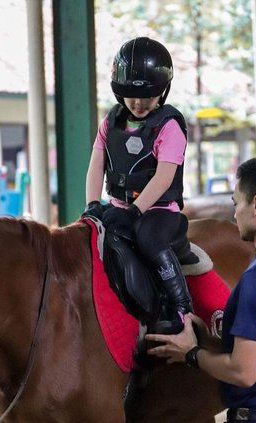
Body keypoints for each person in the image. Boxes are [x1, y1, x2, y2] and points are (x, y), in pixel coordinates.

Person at [146, 155, 256, 423]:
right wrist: (209, 340)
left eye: (237, 203)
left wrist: (191, 354)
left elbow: (244, 372)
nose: (235, 212)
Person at [82, 37, 193, 334]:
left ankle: (181, 306)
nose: (138, 102)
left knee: (148, 239)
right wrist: (92, 204)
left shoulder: (169, 127)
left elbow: (164, 177)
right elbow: (97, 163)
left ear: (162, 92)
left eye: (147, 96)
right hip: (116, 208)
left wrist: (135, 211)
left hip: (158, 211)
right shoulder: (111, 122)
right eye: (130, 95)